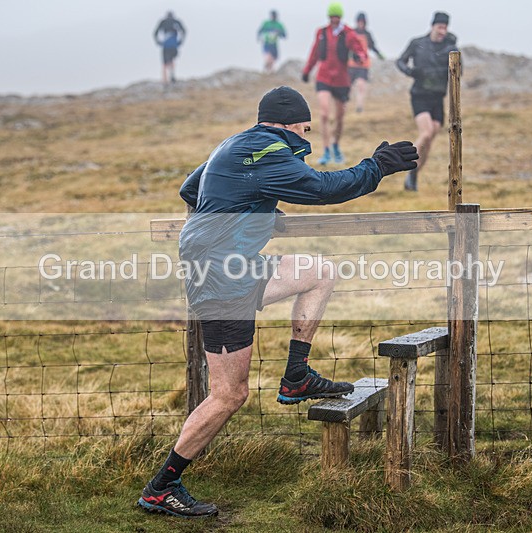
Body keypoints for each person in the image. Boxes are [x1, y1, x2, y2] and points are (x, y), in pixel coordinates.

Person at [137, 86, 418, 518]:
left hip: (237, 267)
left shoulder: (234, 144)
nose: (307, 136)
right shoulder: (268, 152)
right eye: (306, 128)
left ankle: (296, 376)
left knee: (321, 272)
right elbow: (324, 188)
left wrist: (253, 211)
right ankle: (162, 486)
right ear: (292, 124)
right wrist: (375, 166)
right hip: (220, 280)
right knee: (229, 394)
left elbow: (189, 189)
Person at [396, 11, 458, 191]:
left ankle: (413, 174)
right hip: (420, 95)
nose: (442, 31)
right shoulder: (418, 44)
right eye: (440, 27)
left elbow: (459, 70)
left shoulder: (450, 47)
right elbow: (400, 61)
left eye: (445, 28)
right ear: (432, 26)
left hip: (438, 97)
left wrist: (454, 48)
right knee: (426, 133)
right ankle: (402, 161)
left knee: (430, 139)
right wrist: (410, 72)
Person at [302, 2, 367, 166]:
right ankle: (325, 150)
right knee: (324, 114)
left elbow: (359, 49)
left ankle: (336, 146)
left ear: (341, 17)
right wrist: (307, 70)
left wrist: (360, 56)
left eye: (337, 17)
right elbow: (314, 52)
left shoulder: (348, 33)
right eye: (332, 17)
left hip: (341, 81)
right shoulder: (321, 32)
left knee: (339, 117)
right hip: (323, 77)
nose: (334, 20)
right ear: (328, 17)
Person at [348, 12, 384, 113]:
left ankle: (359, 107)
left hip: (363, 65)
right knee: (347, 87)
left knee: (361, 86)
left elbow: (372, 46)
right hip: (351, 65)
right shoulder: (351, 33)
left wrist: (379, 54)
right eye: (359, 22)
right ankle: (344, 105)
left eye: (362, 22)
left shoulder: (367, 34)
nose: (361, 24)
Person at [154, 11, 186, 85]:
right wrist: (180, 41)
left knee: (165, 63)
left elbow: (155, 33)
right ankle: (172, 76)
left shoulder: (163, 22)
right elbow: (184, 31)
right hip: (174, 45)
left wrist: (158, 42)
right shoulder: (176, 22)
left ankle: (165, 80)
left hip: (166, 45)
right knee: (172, 60)